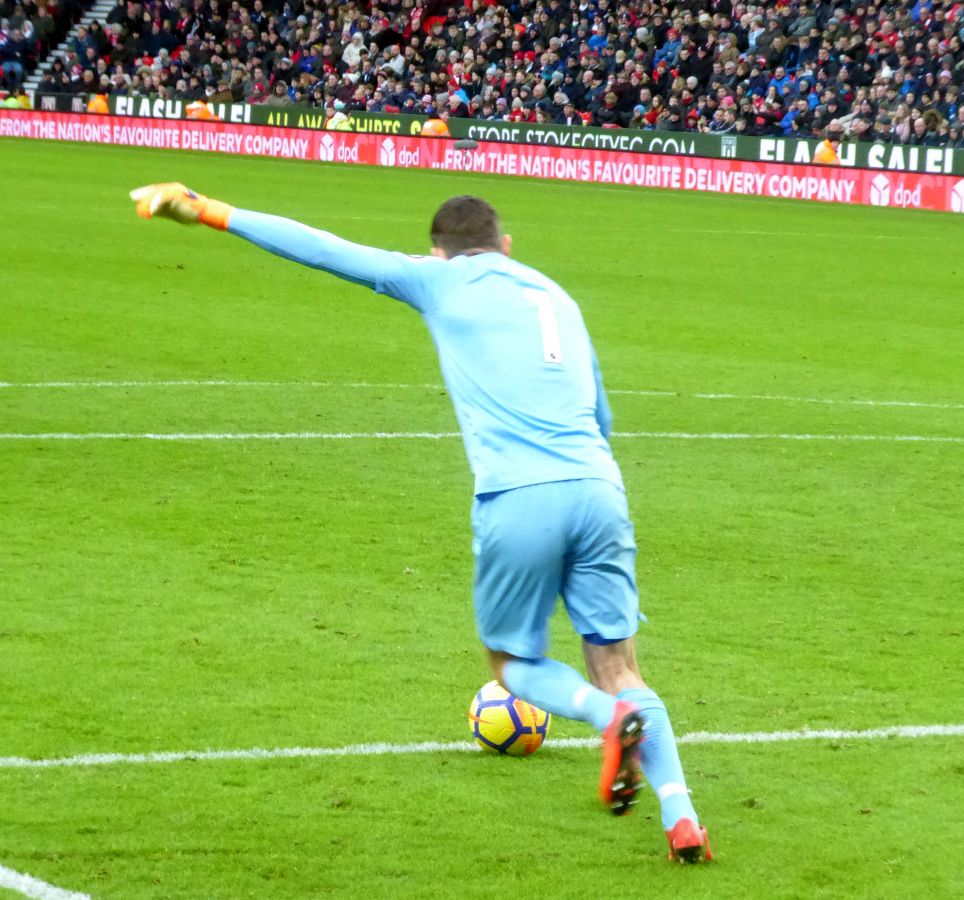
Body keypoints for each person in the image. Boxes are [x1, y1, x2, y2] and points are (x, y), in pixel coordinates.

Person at [127, 184, 713, 865]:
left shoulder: (437, 279)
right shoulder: (558, 297)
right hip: (600, 487)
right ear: (506, 244)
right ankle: (682, 817)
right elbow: (602, 413)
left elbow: (325, 250)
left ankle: (602, 717)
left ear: (441, 251)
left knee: (512, 661)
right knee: (619, 663)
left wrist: (206, 209)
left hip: (520, 494)